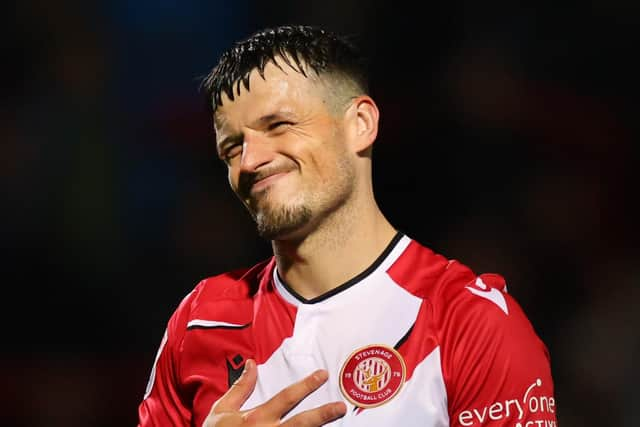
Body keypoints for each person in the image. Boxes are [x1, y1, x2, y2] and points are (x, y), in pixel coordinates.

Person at [137, 25, 558, 427]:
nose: (250, 161)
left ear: (361, 125)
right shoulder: (200, 321)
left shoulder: (468, 322)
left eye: (278, 125)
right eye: (232, 147)